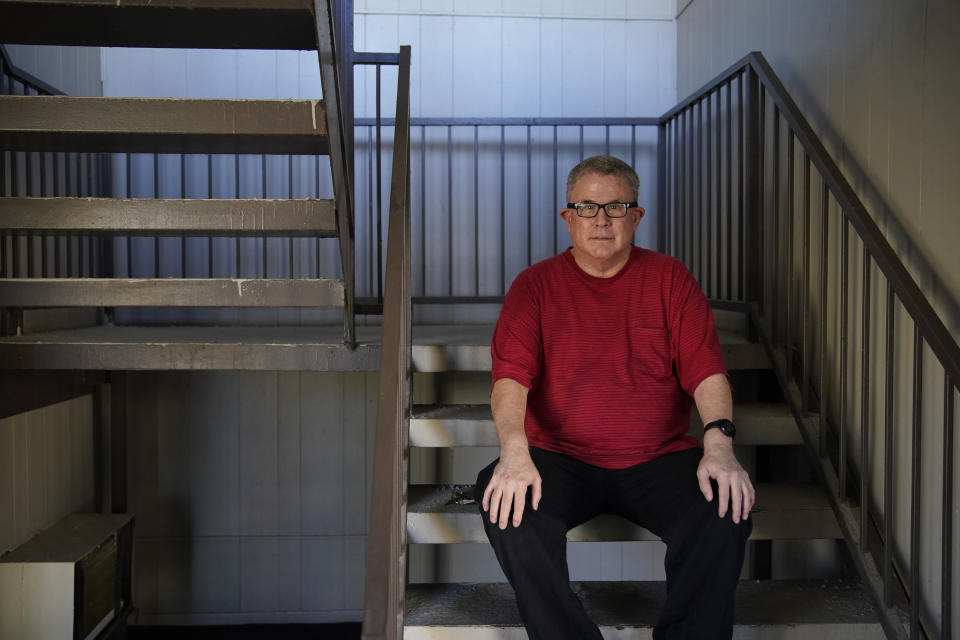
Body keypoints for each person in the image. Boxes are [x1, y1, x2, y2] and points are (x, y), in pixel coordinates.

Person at [475, 155, 755, 640]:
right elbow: (510, 378)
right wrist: (514, 452)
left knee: (724, 506)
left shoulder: (671, 279)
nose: (601, 219)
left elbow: (706, 369)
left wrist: (720, 444)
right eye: (586, 207)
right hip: (558, 460)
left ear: (636, 216)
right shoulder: (534, 286)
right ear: (567, 217)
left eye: (615, 205)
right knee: (507, 504)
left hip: (657, 459)